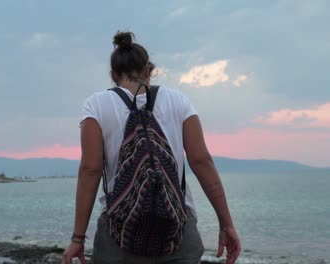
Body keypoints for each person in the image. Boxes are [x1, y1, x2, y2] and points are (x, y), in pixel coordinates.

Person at [61, 31, 241, 264]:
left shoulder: (96, 106)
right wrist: (226, 224)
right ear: (149, 69)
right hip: (177, 229)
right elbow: (201, 161)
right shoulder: (179, 102)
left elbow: (90, 170)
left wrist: (78, 238)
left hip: (119, 236)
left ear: (113, 75)